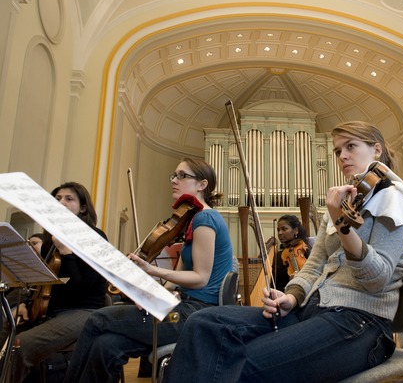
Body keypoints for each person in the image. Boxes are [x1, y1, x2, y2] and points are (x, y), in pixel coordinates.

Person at [161, 121, 403, 383]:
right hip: (311, 310)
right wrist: (293, 296)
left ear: (376, 150)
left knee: (242, 362)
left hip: (362, 324)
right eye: (337, 150)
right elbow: (315, 263)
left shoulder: (395, 199)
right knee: (202, 324)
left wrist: (342, 226)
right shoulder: (344, 201)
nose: (342, 156)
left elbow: (377, 280)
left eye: (351, 146)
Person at [64, 158, 234, 383]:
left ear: (202, 185)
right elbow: (177, 280)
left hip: (194, 315)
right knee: (105, 346)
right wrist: (151, 295)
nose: (174, 180)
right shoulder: (192, 219)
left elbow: (200, 279)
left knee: (97, 320)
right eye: (173, 175)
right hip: (183, 308)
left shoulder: (205, 218)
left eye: (182, 176)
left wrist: (151, 270)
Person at [8, 182, 108, 383]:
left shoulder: (95, 237)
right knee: (4, 329)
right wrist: (24, 305)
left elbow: (82, 288)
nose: (60, 202)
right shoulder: (48, 243)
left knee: (21, 346)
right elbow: (43, 284)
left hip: (84, 311)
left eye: (69, 199)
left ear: (83, 208)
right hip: (51, 311)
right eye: (57, 198)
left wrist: (66, 252)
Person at [271, 214, 311, 292]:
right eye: (278, 230)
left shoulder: (305, 250)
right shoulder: (279, 256)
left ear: (296, 230)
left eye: (284, 229)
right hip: (282, 293)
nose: (280, 233)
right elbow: (275, 283)